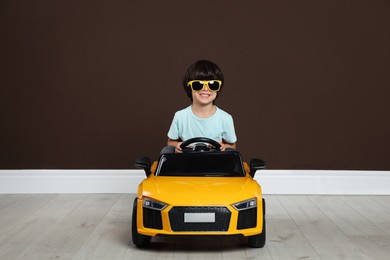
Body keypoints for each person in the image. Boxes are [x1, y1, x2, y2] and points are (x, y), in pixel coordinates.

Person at [162, 60, 237, 153]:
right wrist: (177, 145)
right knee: (166, 151)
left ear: (218, 88)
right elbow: (170, 142)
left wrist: (223, 146)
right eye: (198, 85)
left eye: (212, 85)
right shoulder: (180, 116)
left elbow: (232, 146)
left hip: (215, 163)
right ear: (189, 87)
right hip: (186, 163)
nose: (206, 89)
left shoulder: (225, 118)